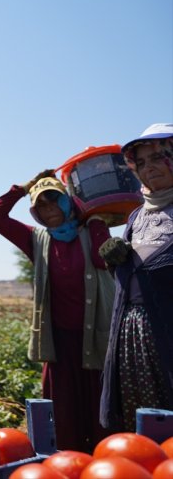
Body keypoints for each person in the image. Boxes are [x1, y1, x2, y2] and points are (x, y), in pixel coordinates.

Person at [0, 171, 114, 451]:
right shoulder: (37, 240)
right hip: (60, 342)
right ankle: (68, 464)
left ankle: (105, 463)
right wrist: (21, 188)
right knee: (64, 415)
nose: (49, 210)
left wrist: (96, 223)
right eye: (41, 205)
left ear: (68, 203)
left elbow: (103, 260)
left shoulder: (92, 230)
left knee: (101, 414)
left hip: (96, 340)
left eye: (54, 201)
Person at [99, 123, 173, 432]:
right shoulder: (137, 216)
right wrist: (115, 259)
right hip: (131, 338)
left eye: (158, 157)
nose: (148, 168)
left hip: (167, 338)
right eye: (140, 162)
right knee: (140, 428)